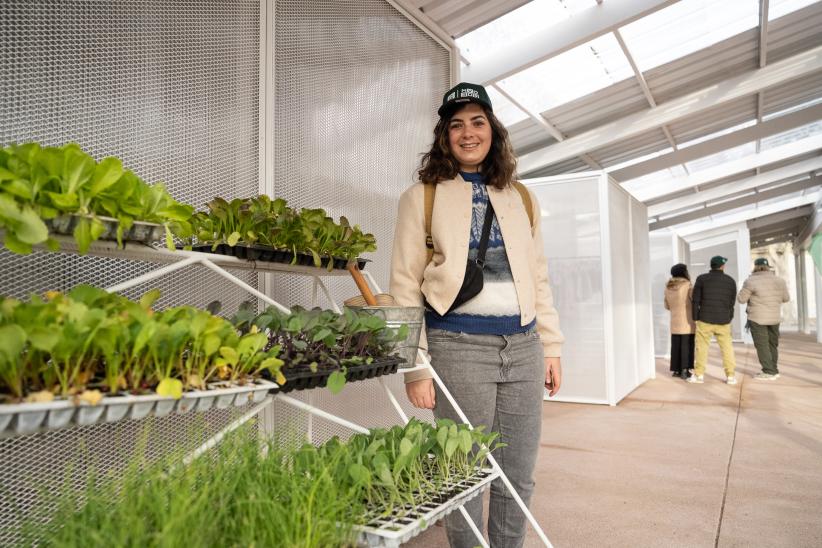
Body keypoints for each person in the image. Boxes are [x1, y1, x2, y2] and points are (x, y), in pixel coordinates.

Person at [389, 82, 564, 548]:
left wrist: (552, 346)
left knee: (517, 474)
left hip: (524, 347)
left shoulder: (521, 198)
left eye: (478, 122)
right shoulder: (421, 197)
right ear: (444, 136)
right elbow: (405, 286)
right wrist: (415, 365)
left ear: (493, 129)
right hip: (457, 347)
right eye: (457, 124)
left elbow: (539, 277)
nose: (468, 133)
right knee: (464, 474)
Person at [737, 258, 790, 380]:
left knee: (762, 345)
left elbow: (741, 299)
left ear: (755, 267)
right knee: (772, 344)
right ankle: (774, 370)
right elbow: (786, 298)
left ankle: (768, 371)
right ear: (768, 267)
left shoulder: (750, 281)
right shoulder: (779, 281)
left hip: (757, 318)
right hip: (774, 318)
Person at [689, 256, 738, 385]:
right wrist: (729, 317)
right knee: (727, 348)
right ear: (722, 266)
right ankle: (731, 376)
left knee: (702, 348)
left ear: (712, 266)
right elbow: (732, 303)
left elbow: (696, 300)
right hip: (723, 321)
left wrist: (695, 318)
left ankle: (699, 375)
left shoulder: (701, 279)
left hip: (705, 319)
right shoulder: (730, 281)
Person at [664, 263, 695, 378]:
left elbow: (666, 306)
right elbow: (694, 299)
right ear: (684, 272)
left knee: (676, 345)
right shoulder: (687, 285)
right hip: (687, 320)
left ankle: (676, 370)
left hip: (675, 320)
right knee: (687, 345)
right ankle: (685, 370)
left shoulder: (668, 287)